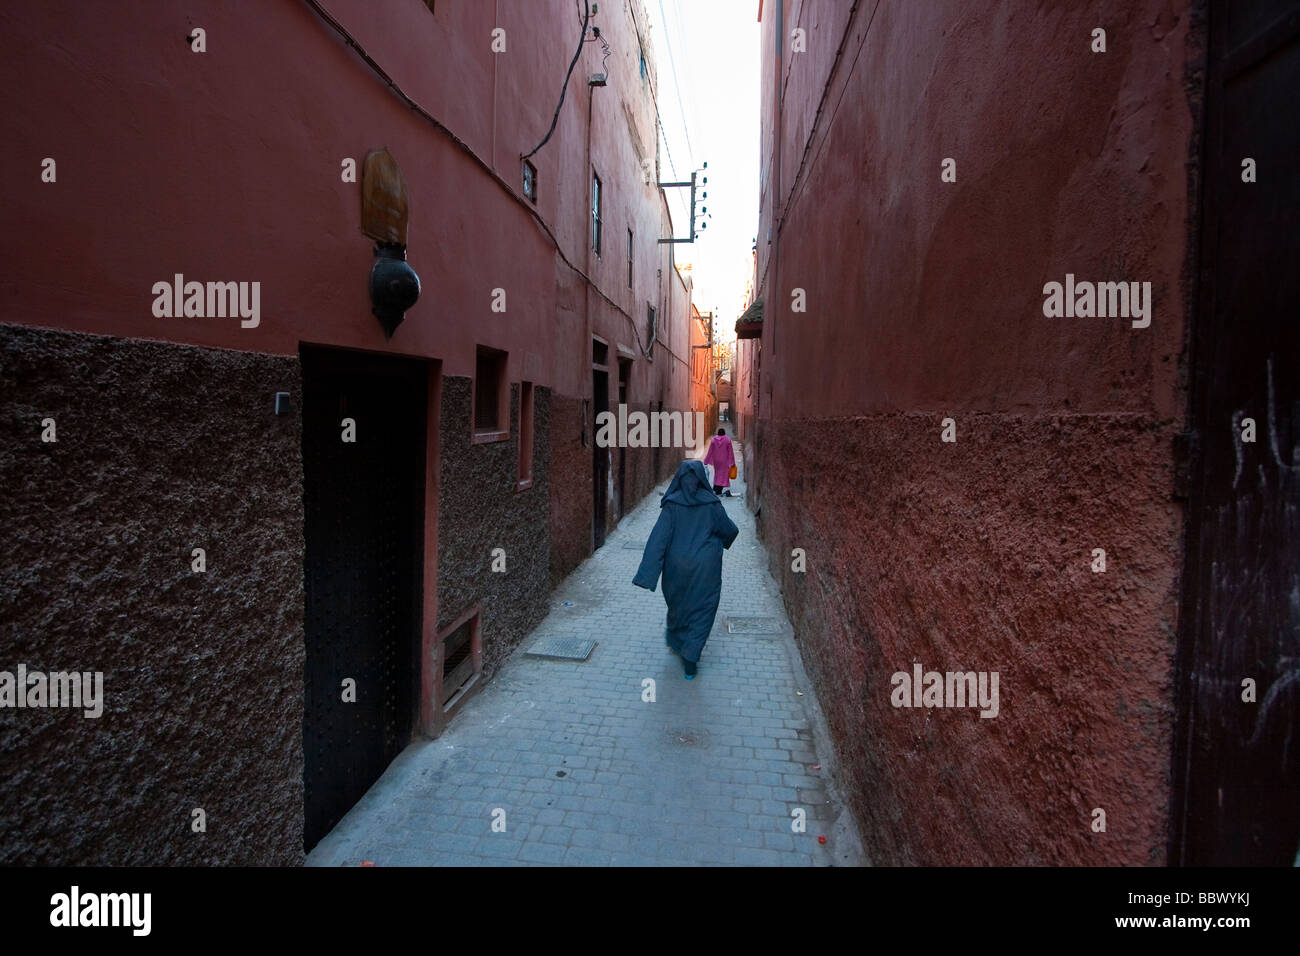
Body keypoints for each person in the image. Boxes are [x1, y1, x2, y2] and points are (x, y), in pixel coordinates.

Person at [632, 460, 739, 679]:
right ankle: (691, 658)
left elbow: (658, 540)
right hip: (705, 568)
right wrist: (721, 542)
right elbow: (730, 530)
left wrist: (647, 574)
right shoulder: (712, 505)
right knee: (704, 608)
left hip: (676, 568)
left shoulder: (671, 505)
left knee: (678, 604)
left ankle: (677, 641)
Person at [701, 428, 736, 496]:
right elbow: (730, 452)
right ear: (724, 433)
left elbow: (710, 451)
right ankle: (718, 489)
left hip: (716, 460)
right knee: (723, 475)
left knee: (717, 474)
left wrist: (706, 461)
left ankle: (716, 488)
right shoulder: (727, 440)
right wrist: (732, 463)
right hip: (724, 460)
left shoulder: (714, 440)